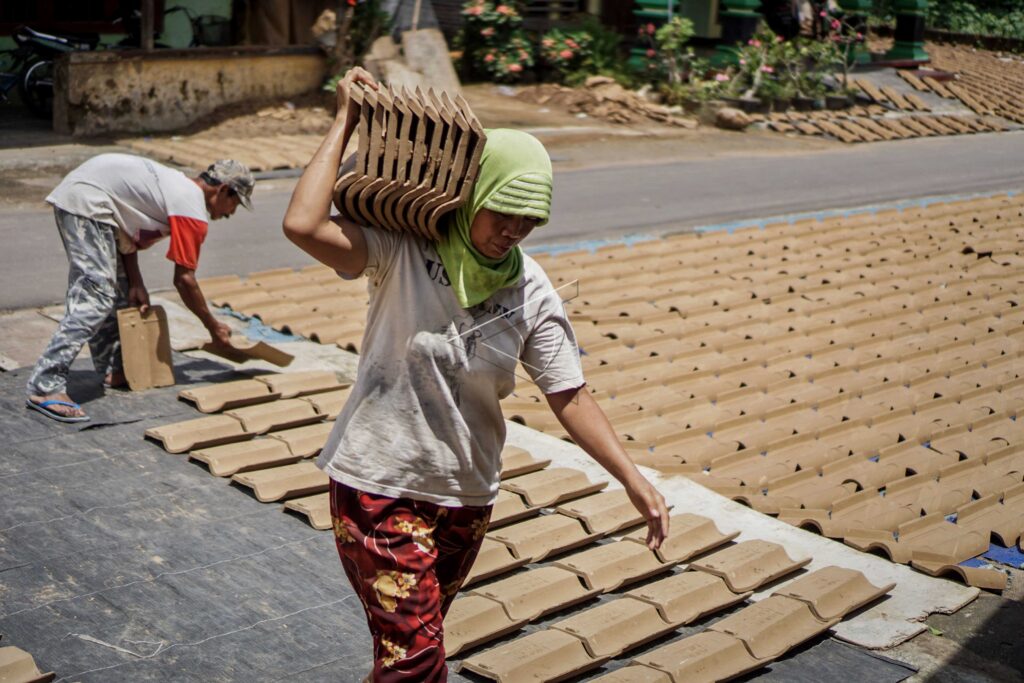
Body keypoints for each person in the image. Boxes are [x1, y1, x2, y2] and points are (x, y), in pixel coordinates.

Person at [282, 67, 669, 682]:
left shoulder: (532, 289)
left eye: (529, 220)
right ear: (473, 192)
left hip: (465, 498)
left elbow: (568, 393)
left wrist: (632, 479)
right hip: (380, 485)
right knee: (418, 660)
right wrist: (345, 120)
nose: (512, 231)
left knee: (409, 651)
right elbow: (304, 225)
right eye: (502, 213)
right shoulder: (404, 248)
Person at [25, 154, 254, 423]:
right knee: (96, 296)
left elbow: (127, 233)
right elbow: (184, 279)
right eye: (235, 204)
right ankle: (45, 385)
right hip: (87, 201)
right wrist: (213, 326)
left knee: (117, 292)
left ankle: (113, 368)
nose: (230, 214)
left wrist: (136, 283)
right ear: (224, 190)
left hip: (97, 205)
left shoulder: (175, 192)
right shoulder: (190, 205)